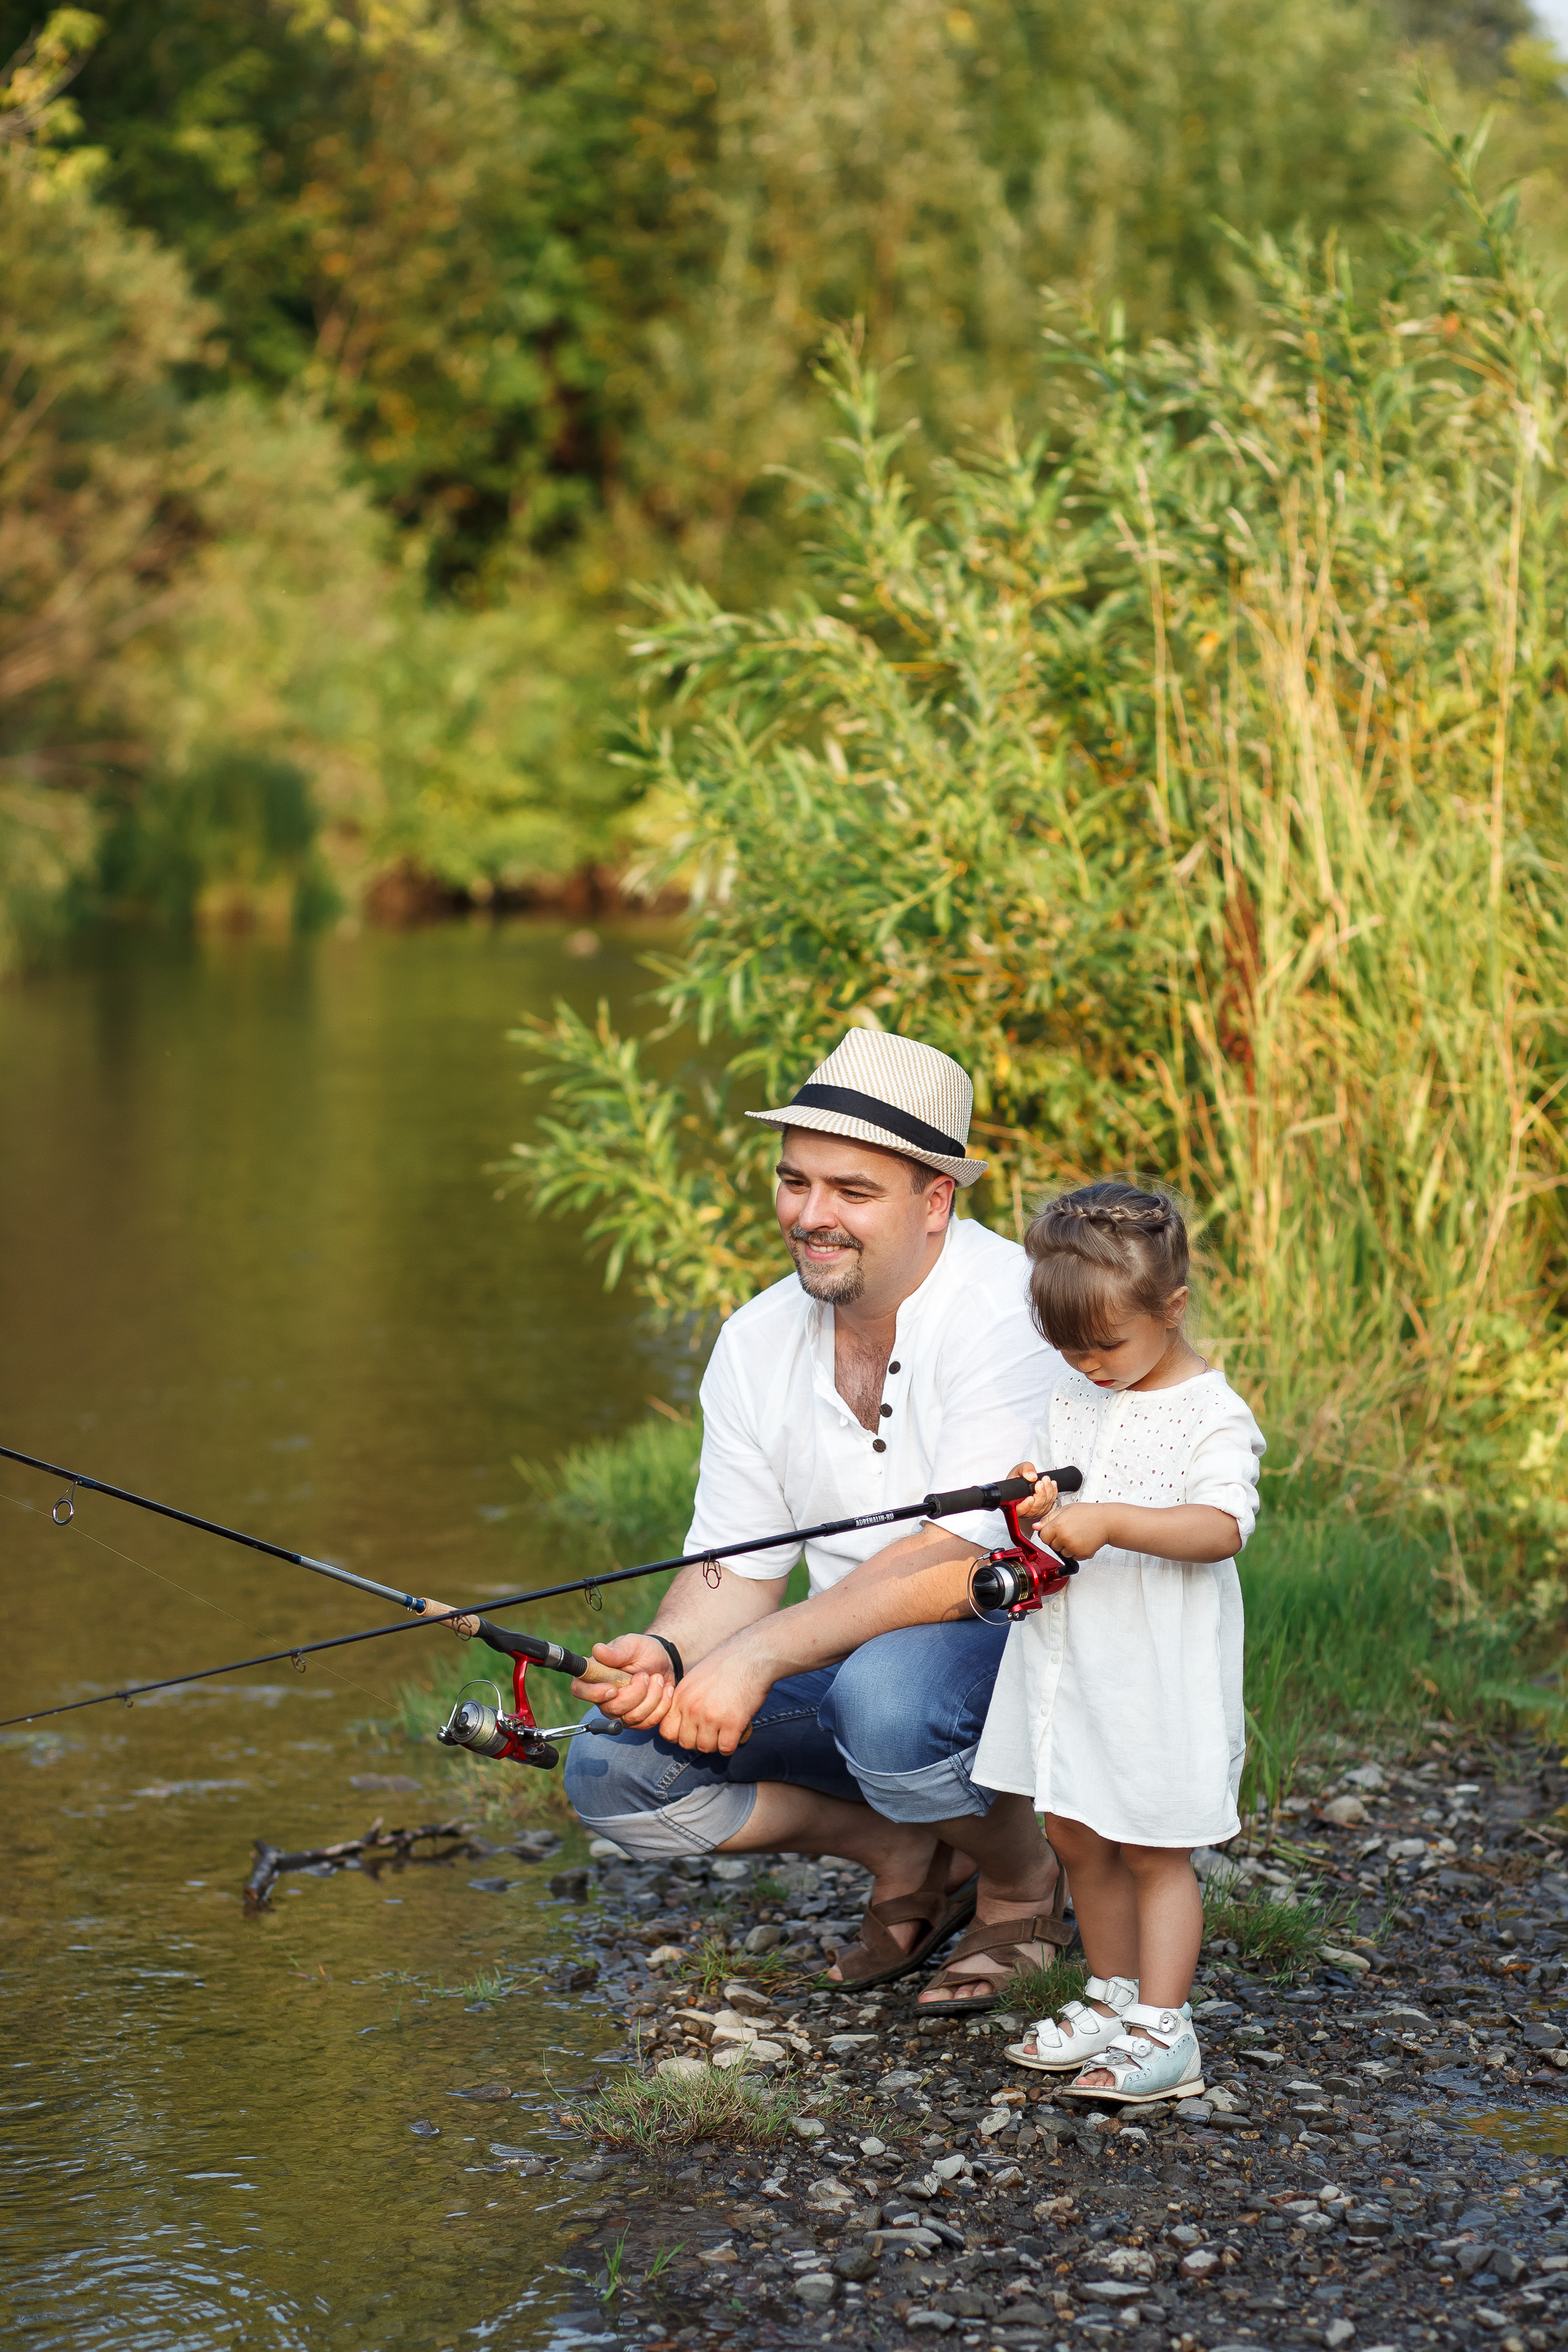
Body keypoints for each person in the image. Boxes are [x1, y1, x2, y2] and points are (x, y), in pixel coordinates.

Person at [557, 1028, 1073, 2006]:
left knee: (883, 1703)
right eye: (796, 1182)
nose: (811, 1215)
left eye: (851, 1191)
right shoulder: (755, 1342)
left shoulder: (1015, 1310)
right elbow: (733, 1571)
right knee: (611, 1769)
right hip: (844, 1662)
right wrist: (669, 1656)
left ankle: (1019, 1878)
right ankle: (908, 1849)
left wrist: (753, 1660)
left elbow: (954, 1562)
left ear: (936, 1200)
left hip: (1017, 1640)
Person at [973, 1181, 1264, 2096]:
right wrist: (1039, 1497)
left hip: (1157, 1675)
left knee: (1153, 1846)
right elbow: (1064, 1486)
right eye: (1067, 1347)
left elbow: (1221, 1527)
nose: (1088, 1364)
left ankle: (1166, 2030)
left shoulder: (1212, 1412)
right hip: (1073, 1664)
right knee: (1079, 1832)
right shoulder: (1075, 1394)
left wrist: (1108, 1520)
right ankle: (1110, 1995)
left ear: (1172, 1309)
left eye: (1106, 1344)